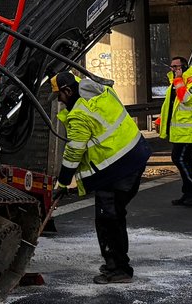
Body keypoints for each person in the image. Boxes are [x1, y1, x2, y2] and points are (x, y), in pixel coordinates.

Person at [49, 69, 153, 284]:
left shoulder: (79, 114)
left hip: (118, 168)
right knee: (113, 216)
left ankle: (120, 269)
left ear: (68, 91)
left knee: (108, 219)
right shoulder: (101, 91)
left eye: (59, 95)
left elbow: (73, 154)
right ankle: (115, 264)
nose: (59, 101)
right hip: (135, 155)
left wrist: (62, 183)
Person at [159, 55, 192, 206]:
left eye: (176, 67)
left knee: (178, 158)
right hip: (179, 131)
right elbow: (171, 105)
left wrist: (179, 80)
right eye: (172, 67)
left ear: (184, 67)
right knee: (184, 160)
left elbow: (185, 98)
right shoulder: (174, 82)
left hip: (189, 132)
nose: (173, 69)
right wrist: (161, 120)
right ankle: (188, 193)